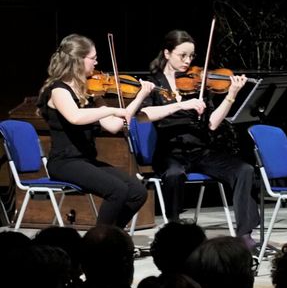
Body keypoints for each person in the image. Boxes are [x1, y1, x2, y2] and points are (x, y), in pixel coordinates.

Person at [139, 30, 260, 250]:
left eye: (191, 56)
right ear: (167, 53)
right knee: (174, 174)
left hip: (201, 152)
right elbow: (145, 115)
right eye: (182, 55)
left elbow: (212, 123)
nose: (187, 61)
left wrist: (231, 95)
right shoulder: (154, 84)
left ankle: (245, 234)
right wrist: (180, 105)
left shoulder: (199, 84)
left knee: (244, 169)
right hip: (170, 152)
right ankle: (174, 231)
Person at [37, 34, 150, 228]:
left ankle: (112, 234)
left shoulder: (91, 92)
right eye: (93, 58)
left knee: (137, 191)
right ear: (78, 60)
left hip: (86, 161)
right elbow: (75, 117)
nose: (97, 62)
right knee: (117, 190)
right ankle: (99, 241)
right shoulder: (59, 90)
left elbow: (114, 126)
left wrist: (140, 97)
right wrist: (109, 109)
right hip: (64, 162)